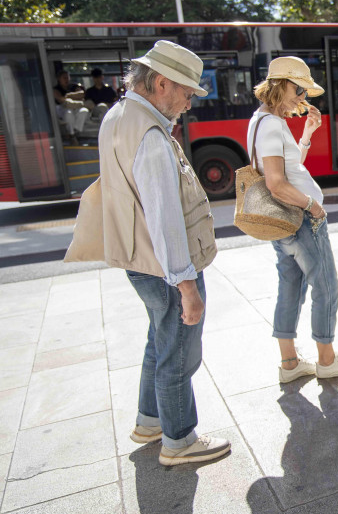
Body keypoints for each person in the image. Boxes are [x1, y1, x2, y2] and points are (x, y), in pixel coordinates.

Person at [65, 40, 229, 466]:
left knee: (159, 339)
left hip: (139, 260)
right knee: (179, 351)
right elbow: (165, 219)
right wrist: (187, 285)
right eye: (187, 93)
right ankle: (180, 440)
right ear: (161, 83)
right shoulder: (152, 135)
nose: (189, 104)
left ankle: (149, 420)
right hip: (165, 266)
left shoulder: (117, 116)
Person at [248, 56, 338, 383]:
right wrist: (313, 205)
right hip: (299, 219)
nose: (302, 97)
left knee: (290, 286)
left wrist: (307, 134)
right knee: (326, 286)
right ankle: (327, 361)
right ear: (280, 84)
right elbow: (275, 181)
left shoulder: (260, 120)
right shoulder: (272, 124)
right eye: (298, 89)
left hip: (279, 221)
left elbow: (290, 169)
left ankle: (290, 363)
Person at [53, 70, 90, 145]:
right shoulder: (56, 89)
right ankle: (72, 134)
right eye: (64, 78)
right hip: (63, 109)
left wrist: (68, 96)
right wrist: (74, 97)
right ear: (59, 79)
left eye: (67, 77)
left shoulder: (74, 86)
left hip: (76, 107)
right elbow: (61, 100)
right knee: (68, 114)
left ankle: (76, 131)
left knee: (84, 111)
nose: (66, 79)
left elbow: (82, 94)